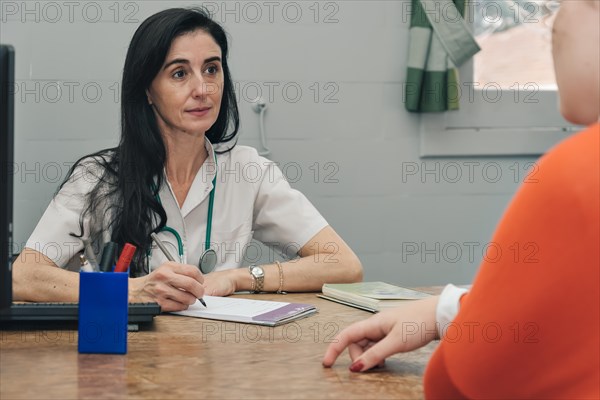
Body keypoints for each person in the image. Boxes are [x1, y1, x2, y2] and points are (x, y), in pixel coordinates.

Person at [323, 0, 599, 398]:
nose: (552, 28)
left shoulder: (576, 172)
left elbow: (463, 382)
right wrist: (445, 311)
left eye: (567, 5)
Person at [13, 7, 362, 312]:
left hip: (213, 361)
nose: (203, 89)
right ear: (148, 90)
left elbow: (343, 263)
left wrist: (238, 277)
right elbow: (23, 276)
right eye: (180, 73)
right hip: (124, 359)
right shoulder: (97, 177)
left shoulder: (248, 170)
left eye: (211, 69)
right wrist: (132, 290)